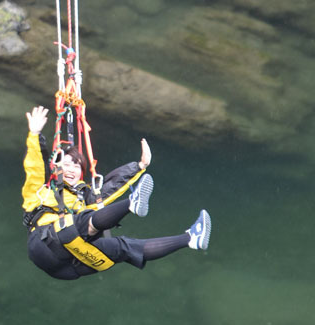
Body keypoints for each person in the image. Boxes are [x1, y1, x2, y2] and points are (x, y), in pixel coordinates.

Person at [22, 105, 211, 281]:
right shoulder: (41, 189)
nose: (72, 168)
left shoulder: (85, 196)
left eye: (77, 165)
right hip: (43, 245)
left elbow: (111, 187)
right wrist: (35, 133)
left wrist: (140, 166)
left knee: (124, 246)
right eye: (67, 163)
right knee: (82, 220)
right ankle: (131, 203)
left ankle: (191, 238)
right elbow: (35, 165)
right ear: (56, 167)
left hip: (70, 266)